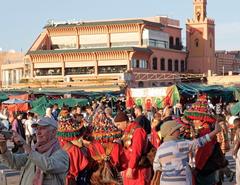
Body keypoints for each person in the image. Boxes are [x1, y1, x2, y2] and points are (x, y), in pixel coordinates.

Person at [0, 116, 69, 185]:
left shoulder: (62, 154)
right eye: (37, 129)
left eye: (42, 129)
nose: (38, 132)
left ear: (54, 132)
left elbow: (48, 166)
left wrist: (24, 144)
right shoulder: (35, 150)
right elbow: (14, 163)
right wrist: (3, 147)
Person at [153, 120, 220, 185]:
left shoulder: (160, 149)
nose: (180, 131)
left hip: (165, 181)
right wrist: (215, 131)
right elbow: (199, 142)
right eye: (177, 129)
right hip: (182, 181)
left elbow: (156, 167)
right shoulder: (180, 145)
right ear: (171, 132)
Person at [114, 111, 152, 185]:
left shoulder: (138, 131)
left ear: (124, 122)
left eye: (118, 125)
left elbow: (136, 151)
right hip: (131, 167)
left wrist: (131, 168)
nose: (118, 127)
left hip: (139, 168)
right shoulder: (127, 131)